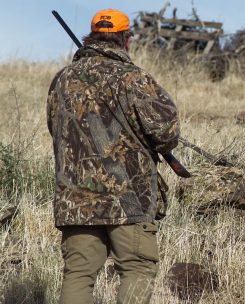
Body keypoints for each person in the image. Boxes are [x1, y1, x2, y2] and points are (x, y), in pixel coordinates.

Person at [47, 9, 180, 303]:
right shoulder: (134, 78)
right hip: (129, 197)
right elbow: (167, 132)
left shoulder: (62, 80)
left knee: (78, 274)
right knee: (137, 267)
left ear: (91, 37)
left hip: (76, 197)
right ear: (126, 39)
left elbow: (54, 127)